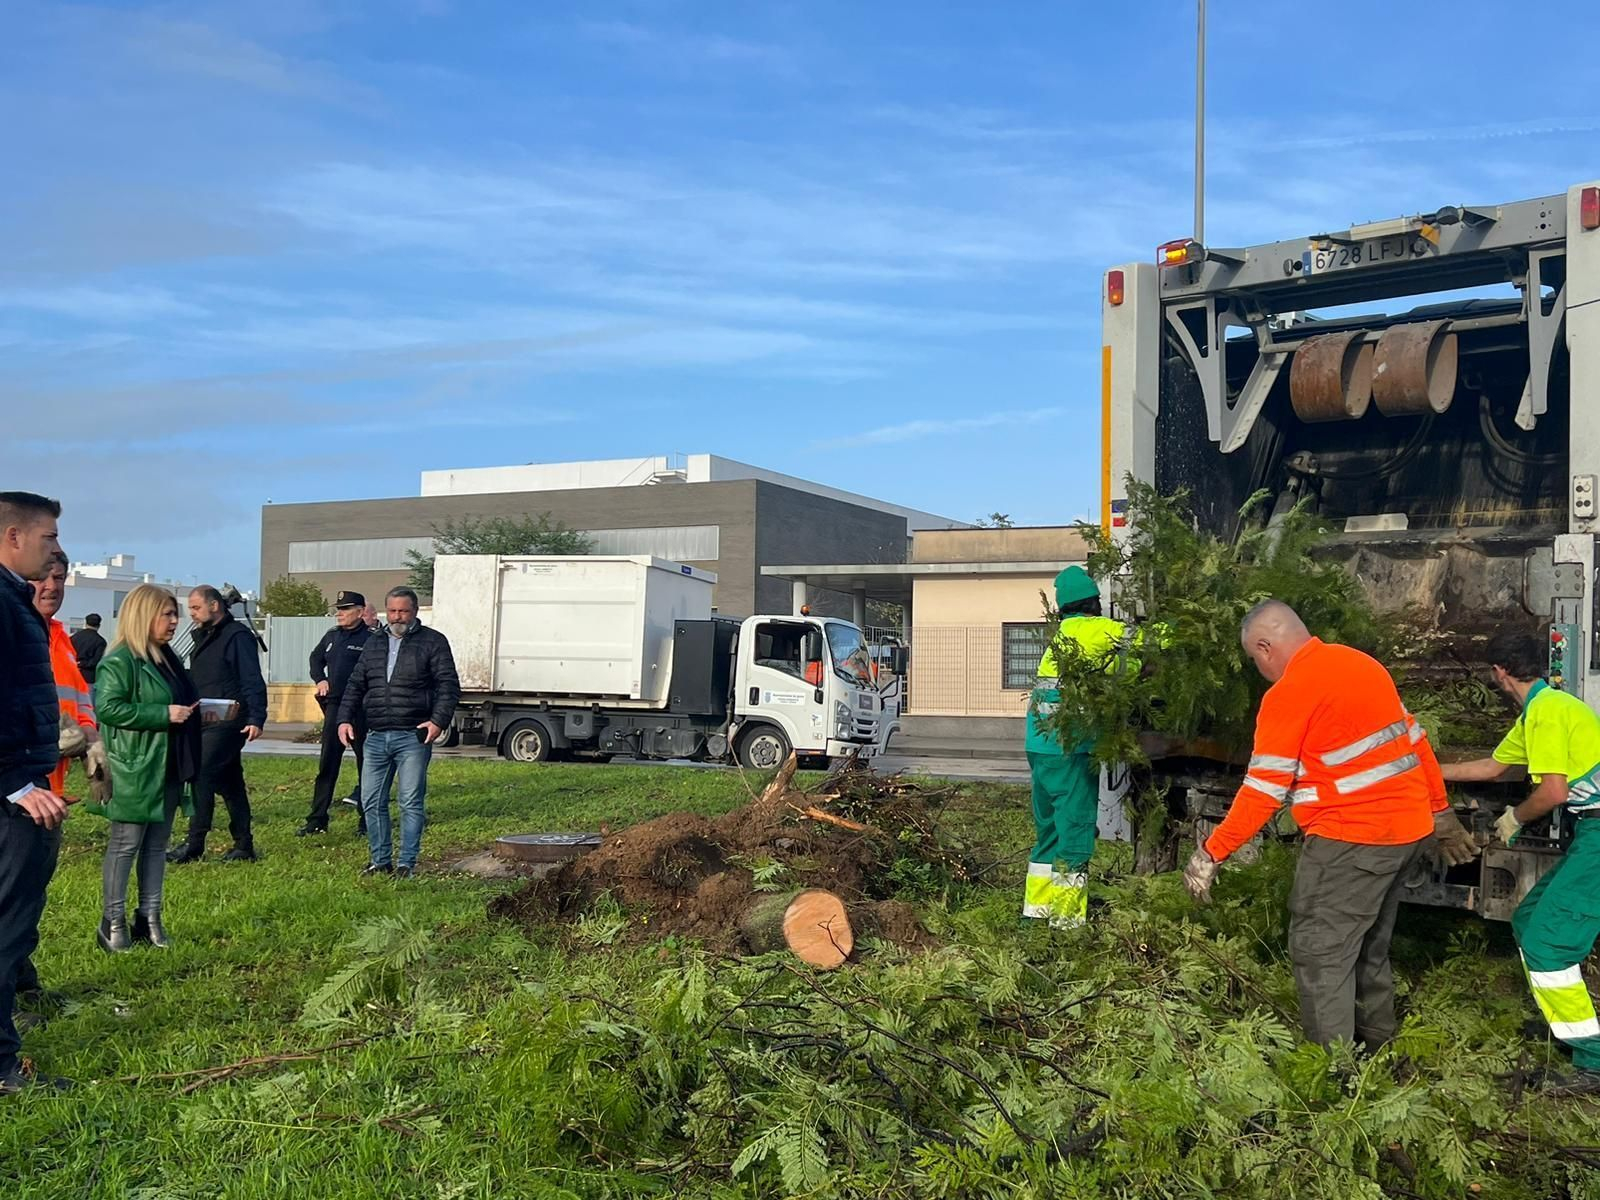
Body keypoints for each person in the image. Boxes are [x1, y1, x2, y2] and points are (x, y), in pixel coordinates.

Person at [1182, 599, 1472, 1053]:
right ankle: (1378, 1049)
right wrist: (1440, 811)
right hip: (1407, 833)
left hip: (1351, 840)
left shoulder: (1291, 692)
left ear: (1265, 646)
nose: (1260, 668)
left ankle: (1331, 1074)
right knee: (1367, 946)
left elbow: (1263, 789)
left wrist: (1211, 853)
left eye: (1255, 659)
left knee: (1320, 952)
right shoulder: (1362, 665)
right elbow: (1414, 744)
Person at [1439, 629, 1600, 1093]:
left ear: (1499, 672)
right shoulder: (1542, 709)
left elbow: (1553, 792)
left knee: (1549, 943)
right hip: (1592, 831)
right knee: (1529, 918)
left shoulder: (1548, 712)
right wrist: (1427, 766)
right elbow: (1493, 767)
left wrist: (1513, 819)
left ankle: (1592, 1057)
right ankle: (1565, 1025)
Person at [0, 491, 71, 1093]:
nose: (55, 551)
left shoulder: (14, 602)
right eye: (47, 537)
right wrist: (15, 785)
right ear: (13, 536)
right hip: (13, 794)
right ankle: (2, 1066)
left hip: (24, 783)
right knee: (7, 928)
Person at [13, 552, 103, 1024]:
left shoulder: (61, 640)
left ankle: (22, 985)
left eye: (59, 578)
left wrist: (89, 740)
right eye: (40, 577)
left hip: (50, 792)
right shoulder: (16, 635)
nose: (51, 586)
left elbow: (80, 702)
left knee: (29, 899)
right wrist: (55, 730)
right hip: (16, 795)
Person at [92, 585, 201, 952]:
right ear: (143, 615)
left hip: (168, 762)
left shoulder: (166, 657)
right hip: (133, 766)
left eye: (175, 614)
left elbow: (179, 700)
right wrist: (162, 714)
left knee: (156, 846)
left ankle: (149, 916)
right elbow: (108, 708)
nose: (175, 621)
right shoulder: (121, 660)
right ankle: (113, 920)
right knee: (125, 845)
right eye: (167, 614)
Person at [1023, 565, 1129, 927]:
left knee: (1049, 832)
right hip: (1069, 749)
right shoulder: (1095, 628)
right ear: (1094, 602)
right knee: (1075, 834)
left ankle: (1035, 919)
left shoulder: (1062, 637)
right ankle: (1066, 924)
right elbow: (1153, 640)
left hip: (1040, 747)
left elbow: (1105, 666)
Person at [338, 587, 460, 878]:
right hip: (376, 734)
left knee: (410, 801)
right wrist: (344, 719)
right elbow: (356, 683)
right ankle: (380, 861)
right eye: (392, 611)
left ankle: (407, 863)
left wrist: (438, 721)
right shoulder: (374, 642)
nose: (397, 617)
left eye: (403, 611)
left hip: (413, 736)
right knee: (371, 801)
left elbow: (448, 685)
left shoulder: (433, 641)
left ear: (415, 611)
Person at [168, 585, 267, 863]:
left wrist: (257, 717)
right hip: (205, 718)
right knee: (231, 782)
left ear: (214, 606)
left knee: (201, 774)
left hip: (230, 719)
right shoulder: (204, 636)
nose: (192, 615)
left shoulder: (237, 637)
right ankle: (244, 845)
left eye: (196, 608)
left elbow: (251, 678)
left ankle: (194, 842)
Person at [300, 590, 374, 837]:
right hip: (334, 707)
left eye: (345, 609)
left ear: (361, 612)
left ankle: (367, 821)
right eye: (338, 609)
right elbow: (315, 658)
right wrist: (320, 679)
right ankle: (317, 820)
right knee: (327, 765)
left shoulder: (372, 638)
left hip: (361, 709)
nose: (339, 614)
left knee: (367, 766)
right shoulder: (332, 636)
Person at [71, 612, 107, 689]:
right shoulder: (101, 641)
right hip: (89, 678)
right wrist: (83, 663)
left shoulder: (73, 638)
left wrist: (77, 663)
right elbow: (95, 661)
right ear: (99, 626)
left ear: (86, 623)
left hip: (72, 675)